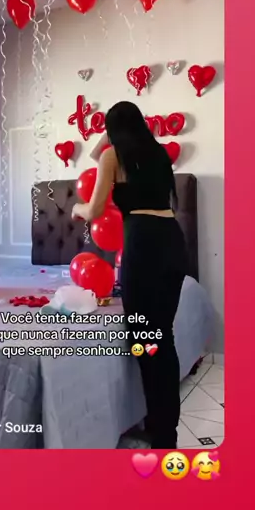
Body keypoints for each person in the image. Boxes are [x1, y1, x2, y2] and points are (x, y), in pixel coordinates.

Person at [71, 100, 188, 449]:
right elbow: (103, 155)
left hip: (143, 244)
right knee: (162, 337)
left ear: (112, 131)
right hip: (172, 241)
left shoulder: (113, 156)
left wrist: (77, 208)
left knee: (145, 339)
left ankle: (161, 434)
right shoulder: (158, 155)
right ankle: (163, 427)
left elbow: (94, 209)